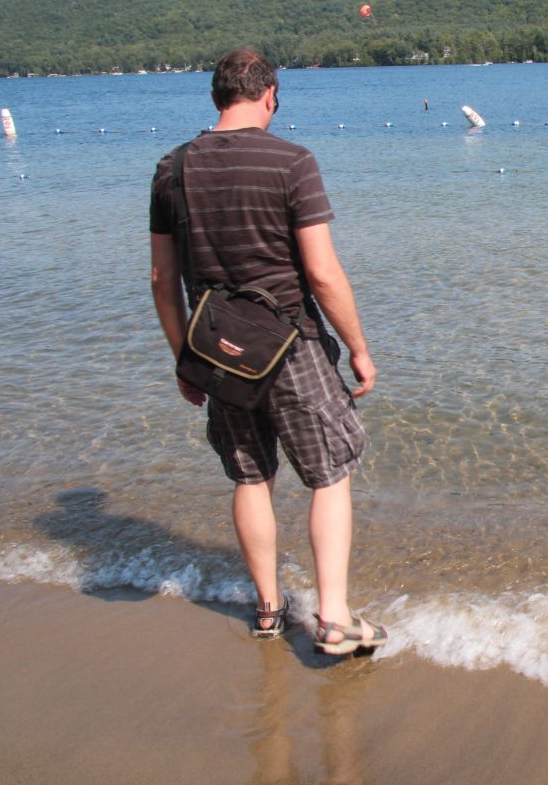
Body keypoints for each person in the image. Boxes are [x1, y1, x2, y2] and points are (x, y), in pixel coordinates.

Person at [149, 48, 387, 655]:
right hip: (290, 344)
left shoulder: (173, 168)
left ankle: (267, 610)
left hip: (216, 351)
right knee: (329, 474)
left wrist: (184, 359)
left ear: (216, 97)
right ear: (270, 95)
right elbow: (323, 273)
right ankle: (333, 618)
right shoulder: (292, 162)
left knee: (251, 476)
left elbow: (161, 278)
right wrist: (358, 348)